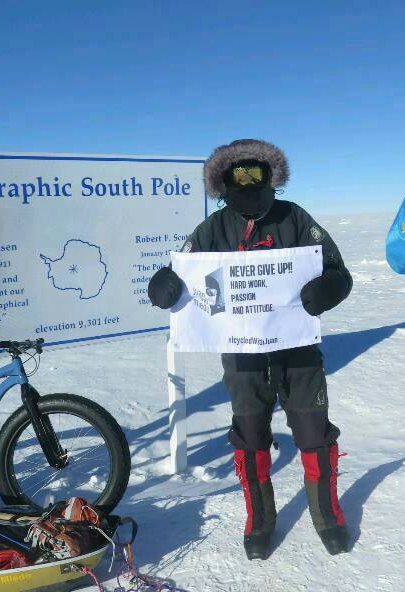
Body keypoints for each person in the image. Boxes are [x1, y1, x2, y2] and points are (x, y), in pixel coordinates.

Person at [147, 139, 352, 559]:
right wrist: (163, 284)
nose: (247, 182)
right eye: (237, 176)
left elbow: (338, 270)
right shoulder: (212, 230)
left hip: (297, 350)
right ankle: (260, 518)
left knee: (314, 431)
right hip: (242, 355)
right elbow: (180, 272)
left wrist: (327, 288)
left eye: (254, 174)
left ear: (269, 176)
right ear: (223, 183)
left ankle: (327, 515)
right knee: (251, 434)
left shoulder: (295, 218)